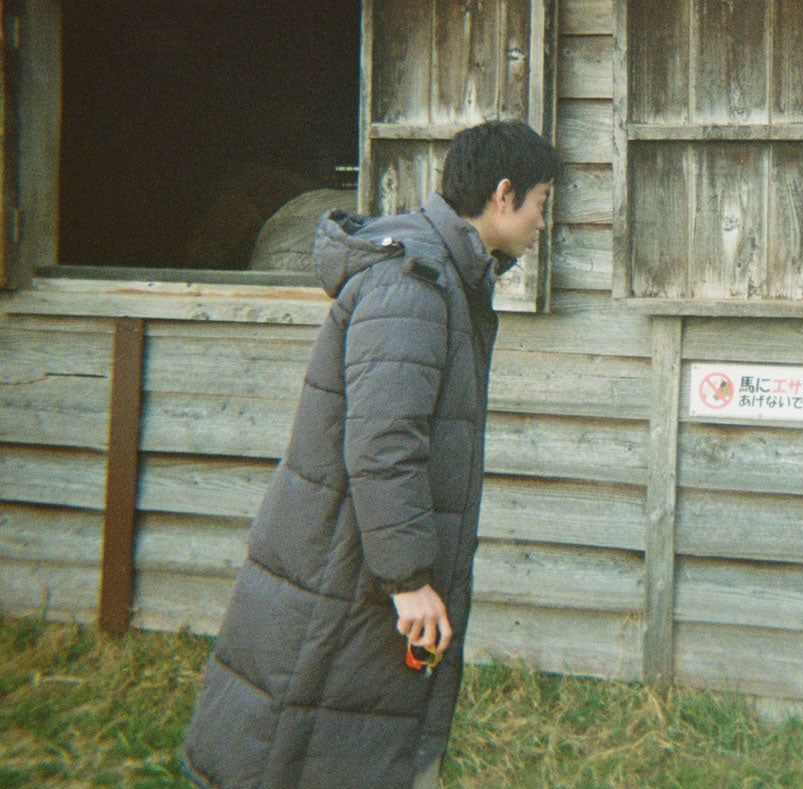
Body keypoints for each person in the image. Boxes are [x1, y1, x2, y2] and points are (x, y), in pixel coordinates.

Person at [182, 120, 560, 789]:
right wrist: (409, 577)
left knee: (342, 734)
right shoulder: (413, 283)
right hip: (349, 565)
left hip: (359, 561)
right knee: (302, 736)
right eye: (540, 204)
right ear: (503, 196)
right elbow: (385, 444)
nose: (541, 223)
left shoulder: (444, 276)